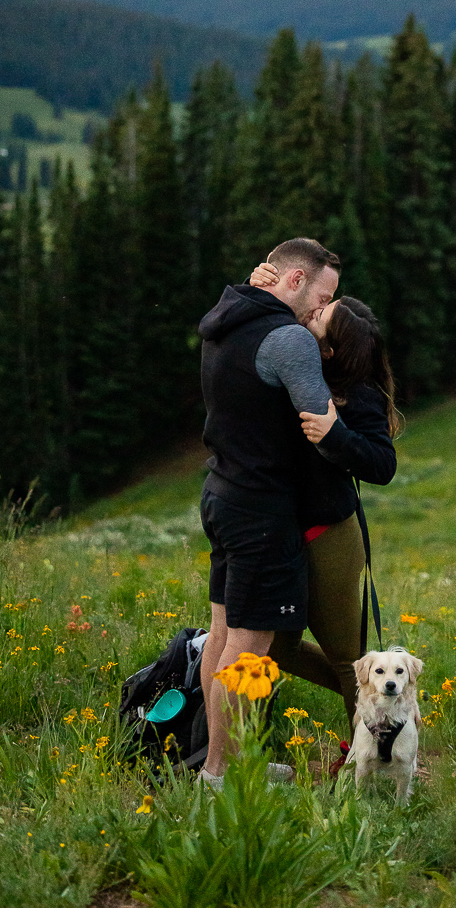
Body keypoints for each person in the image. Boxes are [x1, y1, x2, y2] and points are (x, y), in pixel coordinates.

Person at [196, 238, 340, 788]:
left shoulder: (225, 319)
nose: (321, 311)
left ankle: (222, 759)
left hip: (223, 491)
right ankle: (221, 774)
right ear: (295, 281)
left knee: (221, 633)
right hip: (263, 507)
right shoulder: (288, 338)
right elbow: (320, 423)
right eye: (321, 297)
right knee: (249, 648)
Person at [250, 261, 399, 736]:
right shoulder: (299, 364)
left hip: (331, 538)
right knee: (279, 651)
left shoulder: (360, 396)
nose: (311, 312)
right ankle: (240, 753)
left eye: (319, 316)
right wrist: (261, 286)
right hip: (286, 537)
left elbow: (382, 465)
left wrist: (336, 435)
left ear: (330, 348)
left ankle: (368, 762)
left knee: (345, 658)